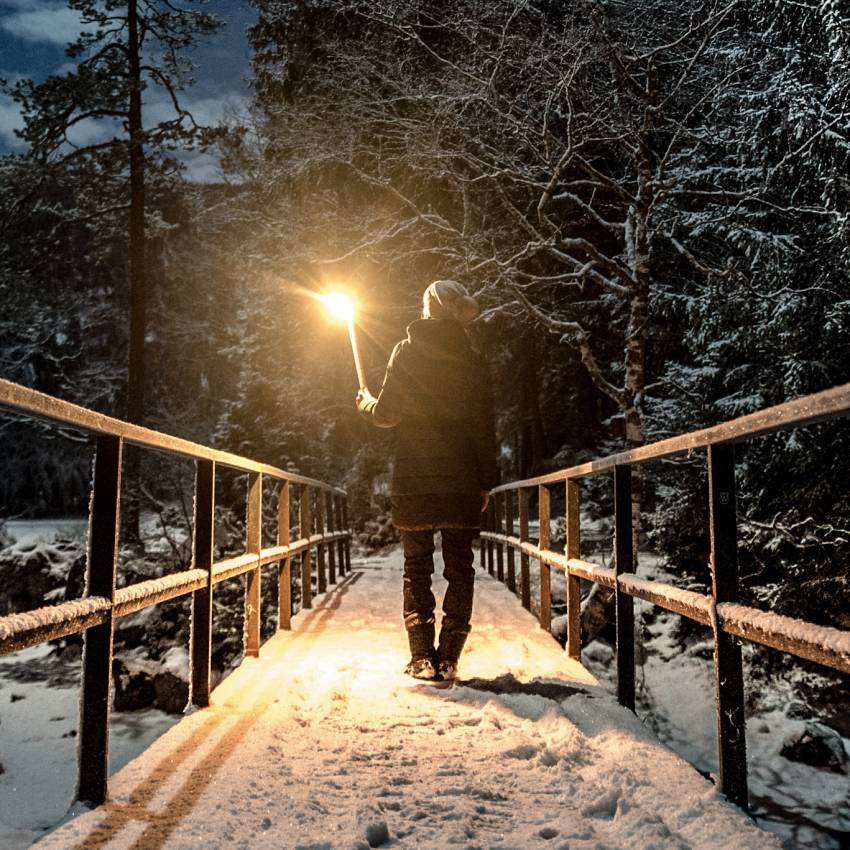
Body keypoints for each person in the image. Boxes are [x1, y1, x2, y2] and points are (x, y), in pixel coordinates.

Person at [356, 280, 497, 682]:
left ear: (426, 309)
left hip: (415, 475)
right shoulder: (474, 359)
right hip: (462, 477)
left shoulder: (406, 351)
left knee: (416, 565)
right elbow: (485, 427)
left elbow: (387, 414)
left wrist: (365, 403)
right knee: (460, 567)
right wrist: (485, 481)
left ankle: (421, 657)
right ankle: (449, 655)